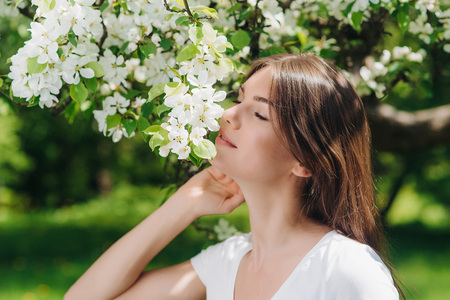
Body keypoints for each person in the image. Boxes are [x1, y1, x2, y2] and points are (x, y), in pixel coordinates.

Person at [64, 53, 402, 300]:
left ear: (306, 161)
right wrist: (182, 205)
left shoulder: (346, 269)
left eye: (258, 113)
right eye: (238, 99)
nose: (228, 114)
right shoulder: (226, 261)